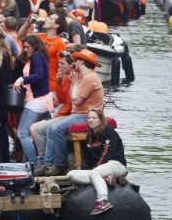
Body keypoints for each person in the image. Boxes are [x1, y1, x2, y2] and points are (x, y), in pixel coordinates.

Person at [36, 49, 105, 177]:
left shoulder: (88, 78)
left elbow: (76, 101)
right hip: (79, 114)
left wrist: (74, 85)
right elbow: (69, 100)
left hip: (85, 116)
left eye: (77, 60)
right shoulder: (85, 77)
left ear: (82, 63)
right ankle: (47, 165)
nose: (75, 63)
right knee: (51, 129)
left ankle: (60, 165)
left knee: (56, 129)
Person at [67, 108, 127, 216]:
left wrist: (93, 171)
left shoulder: (109, 132)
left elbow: (107, 154)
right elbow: (87, 159)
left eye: (94, 118)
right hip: (100, 169)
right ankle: (104, 179)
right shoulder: (89, 137)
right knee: (71, 175)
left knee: (94, 173)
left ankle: (103, 201)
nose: (90, 120)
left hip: (116, 164)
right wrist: (85, 169)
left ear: (100, 120)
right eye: (89, 118)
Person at [11, 35, 53, 169]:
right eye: (24, 47)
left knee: (22, 133)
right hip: (39, 100)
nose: (26, 49)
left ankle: (34, 164)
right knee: (35, 132)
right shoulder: (36, 57)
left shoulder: (36, 57)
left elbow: (39, 75)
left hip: (37, 100)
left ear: (35, 46)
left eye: (28, 47)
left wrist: (22, 80)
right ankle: (28, 162)